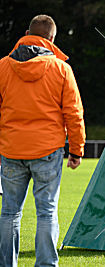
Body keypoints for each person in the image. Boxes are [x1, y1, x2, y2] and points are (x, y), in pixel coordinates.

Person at [0, 15, 85, 266]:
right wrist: (77, 150)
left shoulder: (3, 66)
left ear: (27, 33)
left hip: (11, 148)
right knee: (46, 212)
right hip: (48, 149)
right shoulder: (61, 69)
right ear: (51, 39)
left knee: (9, 212)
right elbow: (74, 112)